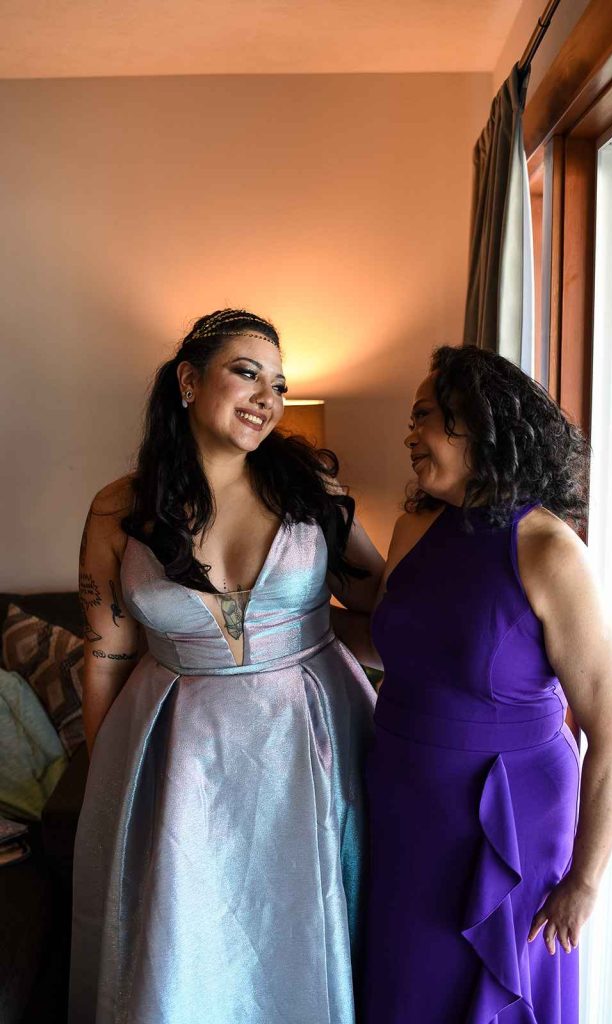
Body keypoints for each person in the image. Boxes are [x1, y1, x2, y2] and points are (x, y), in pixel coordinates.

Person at [69, 308, 383, 1024]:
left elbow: (389, 610)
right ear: (188, 380)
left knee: (314, 929)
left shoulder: (314, 496)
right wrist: (112, 783)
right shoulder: (118, 510)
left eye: (277, 384)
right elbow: (107, 655)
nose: (266, 398)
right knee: (189, 953)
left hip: (313, 744)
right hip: (181, 760)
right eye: (246, 373)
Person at [363, 344, 612, 1024]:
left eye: (424, 416)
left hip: (508, 822)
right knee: (404, 987)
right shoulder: (411, 527)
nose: (409, 434)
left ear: (479, 424)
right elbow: (399, 645)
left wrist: (584, 880)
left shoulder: (548, 548)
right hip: (403, 809)